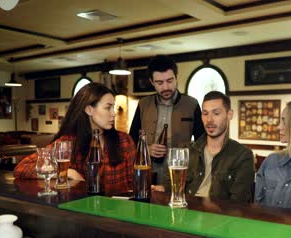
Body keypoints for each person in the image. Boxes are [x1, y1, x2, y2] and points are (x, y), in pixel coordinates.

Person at [14, 83, 135, 195]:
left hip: (118, 211)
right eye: (108, 108)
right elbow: (21, 168)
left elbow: (134, 184)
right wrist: (66, 172)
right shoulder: (69, 142)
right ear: (89, 109)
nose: (113, 113)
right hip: (83, 210)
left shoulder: (124, 140)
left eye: (113, 107)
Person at [156, 91, 255, 202]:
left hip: (218, 217)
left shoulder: (242, 155)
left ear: (229, 114)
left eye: (216, 113)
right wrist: (161, 190)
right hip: (184, 212)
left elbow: (238, 203)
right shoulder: (185, 150)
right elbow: (168, 188)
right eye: (205, 113)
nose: (209, 120)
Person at [129, 55, 204, 185]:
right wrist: (147, 149)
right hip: (147, 173)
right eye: (159, 83)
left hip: (180, 175)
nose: (165, 87)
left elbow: (202, 143)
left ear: (176, 77)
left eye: (170, 81)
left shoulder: (192, 104)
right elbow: (131, 141)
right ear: (152, 82)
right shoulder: (143, 104)